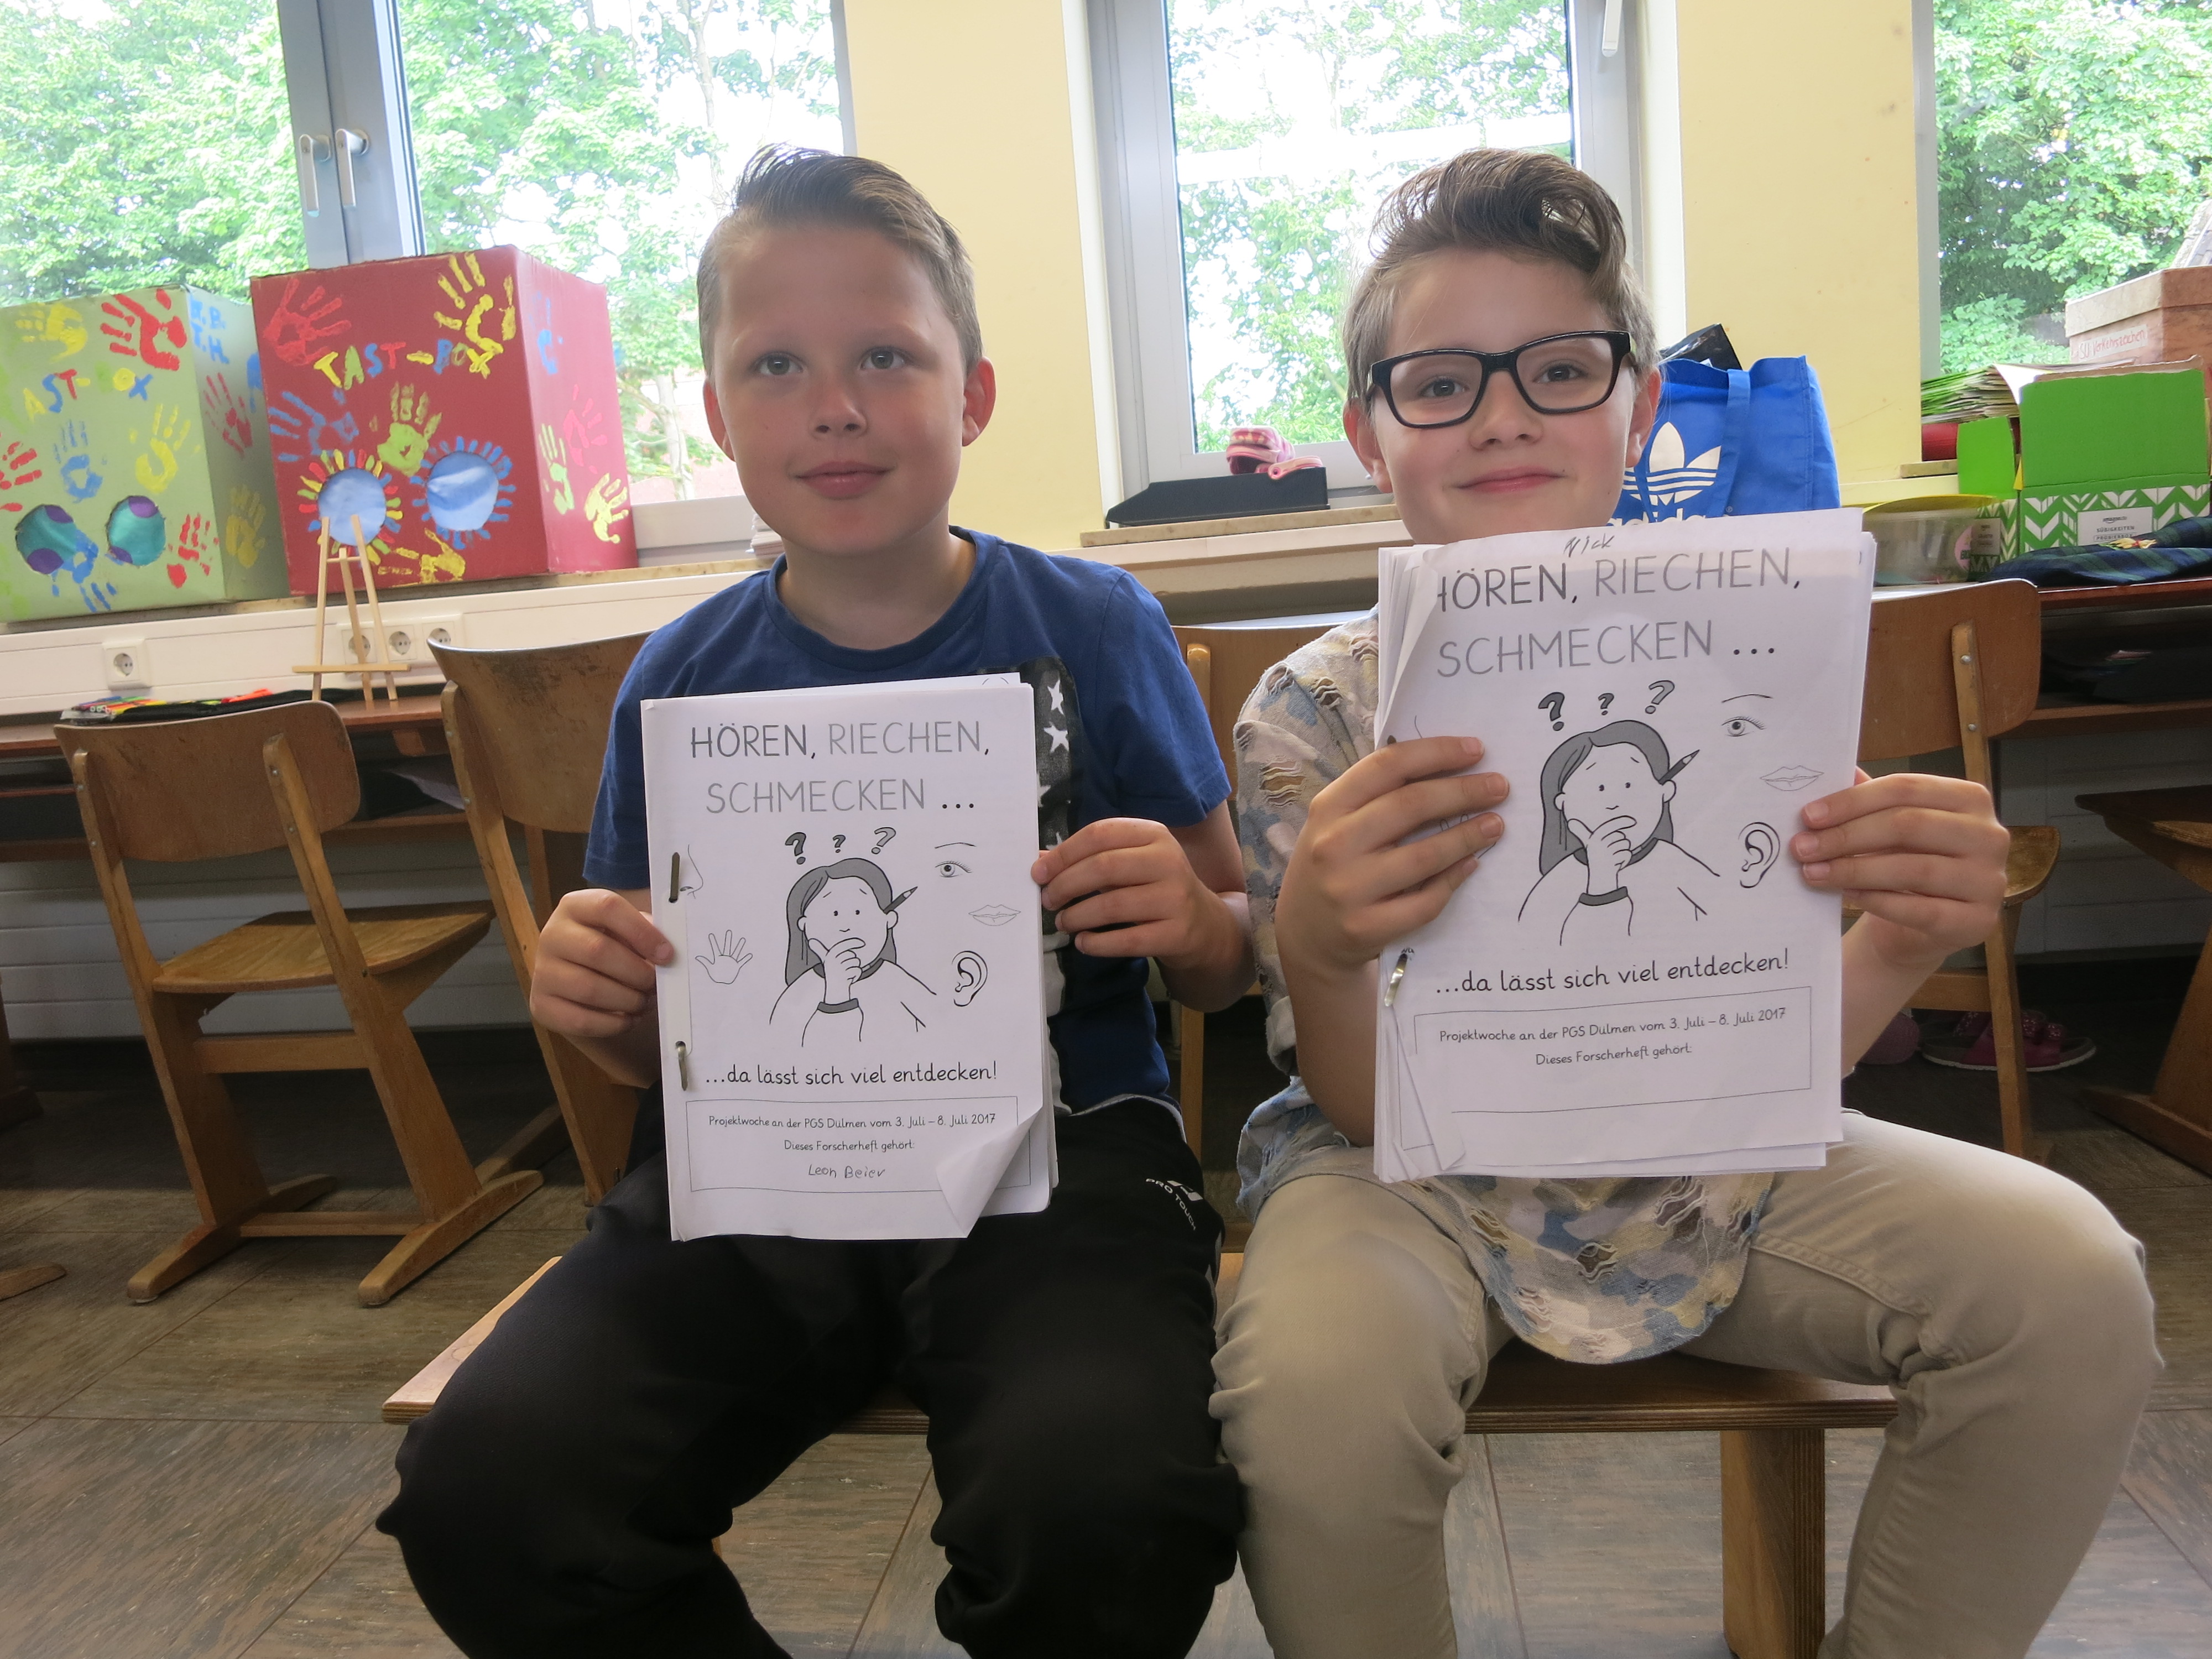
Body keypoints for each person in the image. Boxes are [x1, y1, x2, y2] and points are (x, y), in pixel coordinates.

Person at [1212, 147, 2159, 1659]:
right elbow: (1363, 1106)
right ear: (1368, 434)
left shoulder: (1751, 651)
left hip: (1716, 1163)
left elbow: (1770, 1062)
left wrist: (1902, 935)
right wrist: (1319, 954)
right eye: (1439, 383)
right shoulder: (1311, 712)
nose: (1504, 413)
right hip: (1401, 1173)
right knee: (1315, 1395)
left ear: (1640, 405)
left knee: (2069, 1278)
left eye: (1559, 369)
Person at [379, 146, 1252, 1659]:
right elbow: (656, 1042)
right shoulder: (681, 676)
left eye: (886, 357)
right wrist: (600, 1006)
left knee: (1104, 1500)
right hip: (760, 1173)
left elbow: (1227, 961)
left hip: (1058, 1167)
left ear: (973, 395)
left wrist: (1191, 916)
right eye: (776, 364)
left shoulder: (1095, 624)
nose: (833, 405)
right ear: (719, 417)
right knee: (493, 1491)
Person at [768, 857, 932, 1044]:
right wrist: (836, 994)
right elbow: (786, 1046)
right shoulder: (803, 988)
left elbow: (941, 1021)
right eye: (834, 914)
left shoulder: (894, 978)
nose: (846, 927)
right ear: (804, 926)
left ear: (889, 920)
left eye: (858, 912)